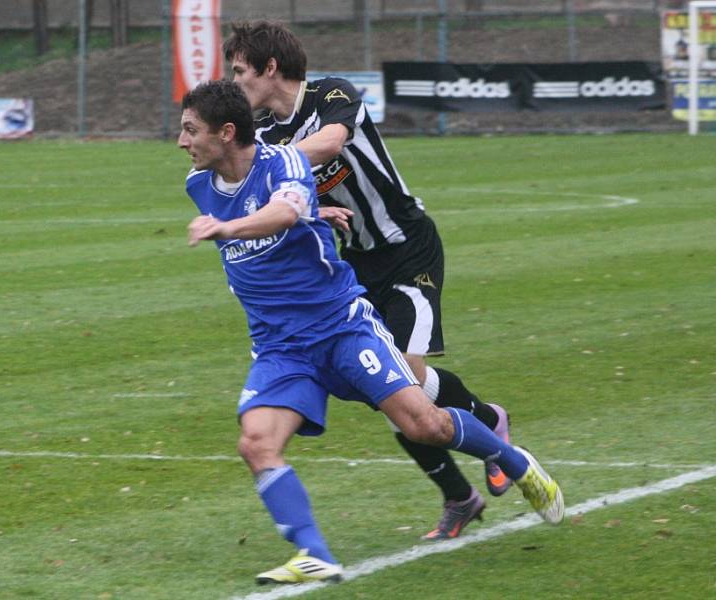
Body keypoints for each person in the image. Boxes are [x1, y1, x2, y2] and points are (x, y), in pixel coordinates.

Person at [179, 79, 564, 586]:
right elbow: (290, 215)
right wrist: (318, 215)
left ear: (226, 133)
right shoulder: (198, 185)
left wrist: (234, 227)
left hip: (340, 327)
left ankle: (512, 459)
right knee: (255, 443)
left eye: (190, 130)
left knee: (423, 425)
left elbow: (285, 208)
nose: (182, 141)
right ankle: (313, 553)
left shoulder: (285, 162)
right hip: (280, 347)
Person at [224, 20, 511, 541]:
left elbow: (332, 144)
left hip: (408, 248)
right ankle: (459, 496)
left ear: (269, 68)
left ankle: (489, 423)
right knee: (391, 393)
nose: (235, 80)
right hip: (353, 266)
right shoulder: (266, 133)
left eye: (240, 70)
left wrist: (267, 164)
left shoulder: (332, 93)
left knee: (406, 377)